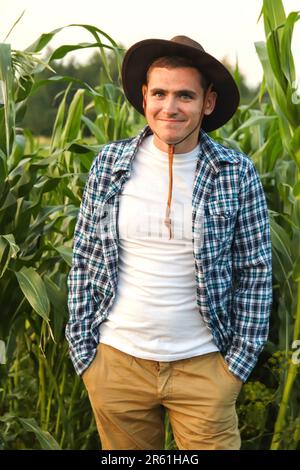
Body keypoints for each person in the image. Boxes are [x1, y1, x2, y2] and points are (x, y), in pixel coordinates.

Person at [65, 35, 273, 450]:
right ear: (145, 97)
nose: (170, 107)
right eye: (159, 93)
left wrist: (235, 367)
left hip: (204, 367)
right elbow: (85, 257)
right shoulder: (109, 164)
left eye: (185, 95)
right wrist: (85, 352)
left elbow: (256, 271)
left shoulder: (236, 172)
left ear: (207, 103)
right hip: (117, 362)